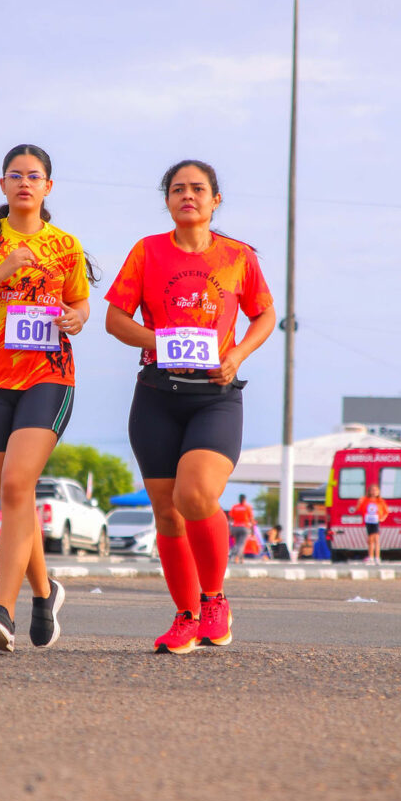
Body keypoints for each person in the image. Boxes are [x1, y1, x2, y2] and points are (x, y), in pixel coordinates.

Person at [105, 159, 275, 653]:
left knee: (195, 494)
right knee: (166, 513)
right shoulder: (147, 251)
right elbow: (116, 320)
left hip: (215, 398)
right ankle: (186, 616)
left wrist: (237, 355)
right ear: (167, 200)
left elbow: (265, 315)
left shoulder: (238, 256)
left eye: (198, 189)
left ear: (215, 200)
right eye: (178, 189)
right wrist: (159, 341)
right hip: (157, 396)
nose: (188, 196)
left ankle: (214, 599)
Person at [0, 144, 93, 652]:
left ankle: (2, 612)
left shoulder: (65, 245)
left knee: (15, 484)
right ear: (2, 185)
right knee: (16, 496)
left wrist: (78, 317)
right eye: (15, 174)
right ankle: (45, 594)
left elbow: (79, 302)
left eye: (34, 175)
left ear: (48, 186)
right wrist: (2, 270)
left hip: (49, 378)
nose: (24, 182)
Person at [355, 483, 389, 564]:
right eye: (372, 490)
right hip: (368, 521)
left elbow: (386, 512)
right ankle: (371, 557)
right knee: (370, 539)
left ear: (378, 492)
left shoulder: (380, 501)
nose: (374, 492)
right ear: (369, 491)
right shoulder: (365, 500)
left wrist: (382, 518)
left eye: (375, 490)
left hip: (376, 521)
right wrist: (359, 502)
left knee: (376, 538)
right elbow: (358, 509)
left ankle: (377, 557)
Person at [227, 493, 255, 563]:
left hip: (236, 527)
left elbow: (230, 518)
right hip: (244, 527)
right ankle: (236, 557)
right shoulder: (248, 507)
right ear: (244, 499)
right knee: (241, 544)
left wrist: (230, 528)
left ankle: (241, 559)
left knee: (237, 543)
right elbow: (251, 519)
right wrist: (252, 530)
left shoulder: (235, 507)